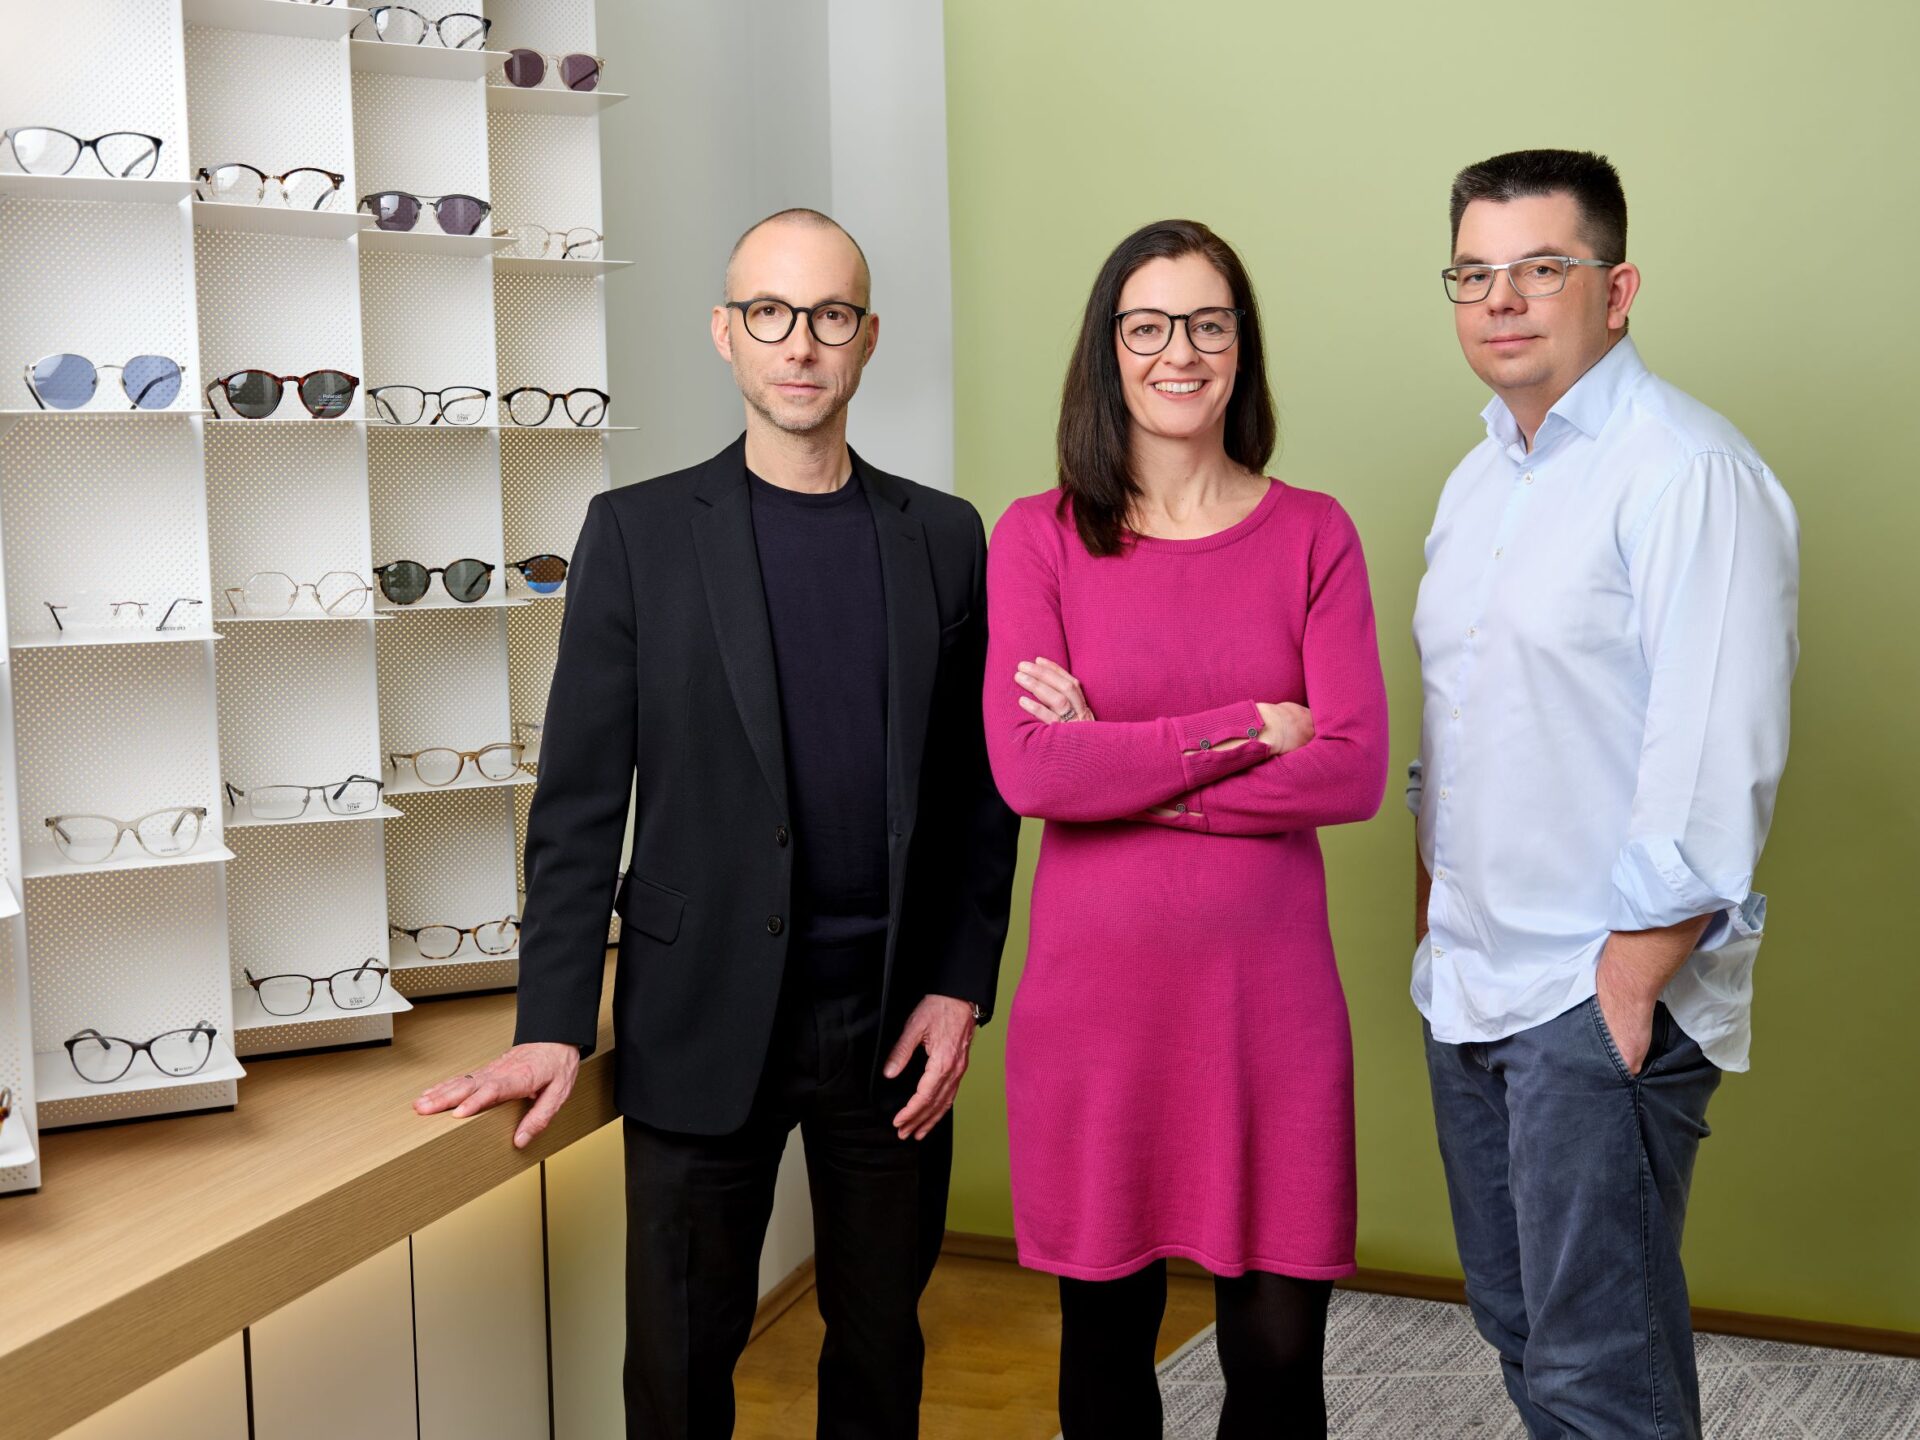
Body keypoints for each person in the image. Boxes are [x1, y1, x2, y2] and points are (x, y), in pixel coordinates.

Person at [415, 207, 1019, 1439]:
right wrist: (551, 1025)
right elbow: (580, 805)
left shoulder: (947, 538)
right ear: (724, 333)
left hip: (891, 1019)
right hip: (699, 1014)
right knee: (679, 1367)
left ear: (867, 339)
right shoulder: (637, 535)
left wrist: (961, 985)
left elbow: (980, 789)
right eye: (770, 314)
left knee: (883, 1349)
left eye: (829, 316)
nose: (800, 344)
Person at [1410, 149, 1799, 1439]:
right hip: (1470, 982)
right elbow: (1462, 731)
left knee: (1598, 1367)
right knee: (1522, 1325)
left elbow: (1713, 758)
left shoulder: (1687, 470)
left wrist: (1623, 989)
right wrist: (1434, 921)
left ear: (1617, 290)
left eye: (1541, 268)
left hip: (1594, 990)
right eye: (1474, 273)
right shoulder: (1478, 483)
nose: (1501, 299)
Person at [983, 218, 1390, 1438]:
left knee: (1278, 1365)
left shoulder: (1314, 532)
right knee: (1107, 1358)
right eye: (1149, 326)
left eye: (1209, 324)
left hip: (1269, 1013)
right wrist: (1246, 729)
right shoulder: (1038, 534)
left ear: (1241, 346)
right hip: (1098, 1015)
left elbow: (1353, 770)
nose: (1180, 352)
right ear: (1108, 348)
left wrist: (1124, 765)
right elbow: (1029, 768)